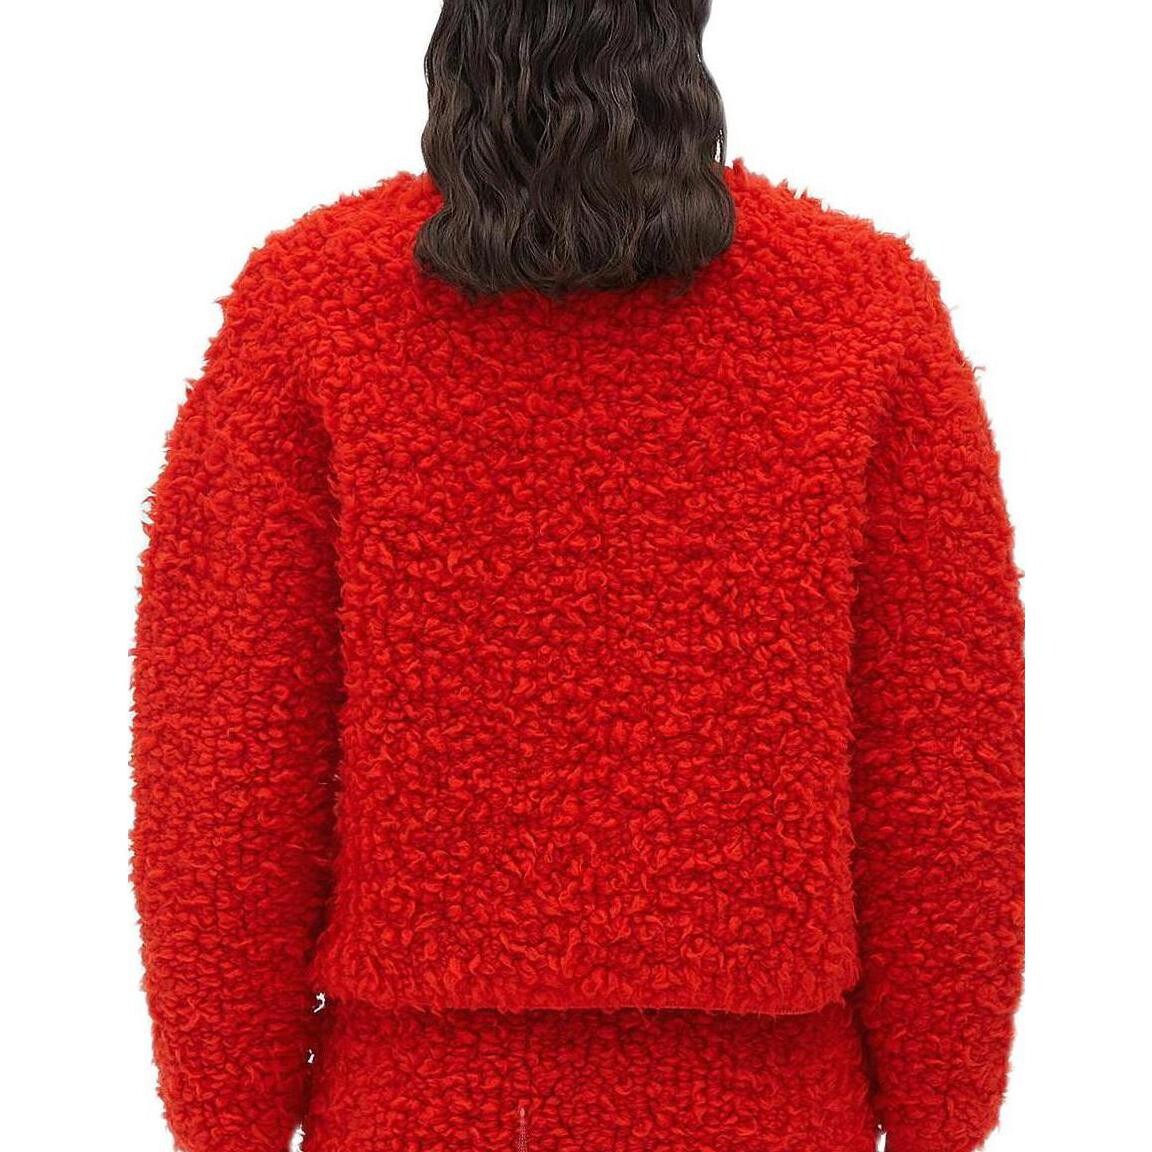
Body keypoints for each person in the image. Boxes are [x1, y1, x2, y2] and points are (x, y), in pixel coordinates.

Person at [129, 3, 1025, 1152]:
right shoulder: (863, 310)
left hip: (416, 1108)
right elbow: (946, 781)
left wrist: (227, 1125)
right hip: (770, 1109)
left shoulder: (311, 306)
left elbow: (224, 776)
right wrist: (946, 1118)